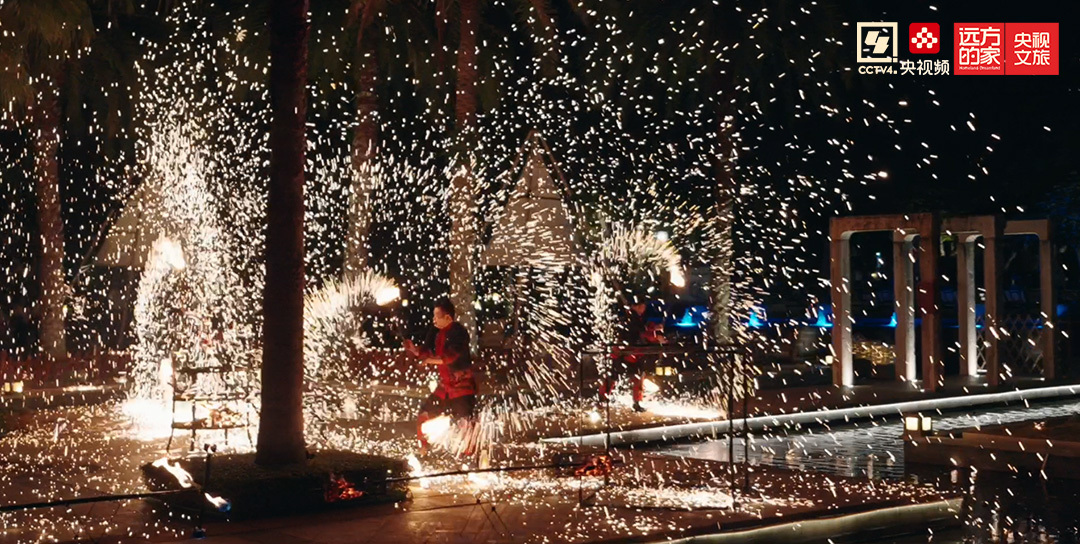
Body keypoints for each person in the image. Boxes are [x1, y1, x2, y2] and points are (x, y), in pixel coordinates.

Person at [404, 298, 477, 454]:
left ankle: (470, 458)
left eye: (437, 316)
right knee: (424, 414)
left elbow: (449, 357)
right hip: (444, 387)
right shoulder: (435, 331)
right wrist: (415, 351)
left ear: (448, 318)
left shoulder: (459, 332)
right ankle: (424, 449)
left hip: (461, 386)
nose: (434, 320)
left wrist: (428, 360)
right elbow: (426, 351)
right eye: (433, 316)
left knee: (465, 423)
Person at [599, 297, 665, 412]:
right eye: (641, 306)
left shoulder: (635, 317)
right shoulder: (629, 317)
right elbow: (638, 332)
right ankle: (602, 400)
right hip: (623, 352)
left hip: (632, 353)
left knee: (636, 378)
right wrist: (654, 336)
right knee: (614, 377)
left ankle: (635, 402)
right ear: (635, 306)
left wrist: (653, 329)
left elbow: (642, 328)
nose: (643, 309)